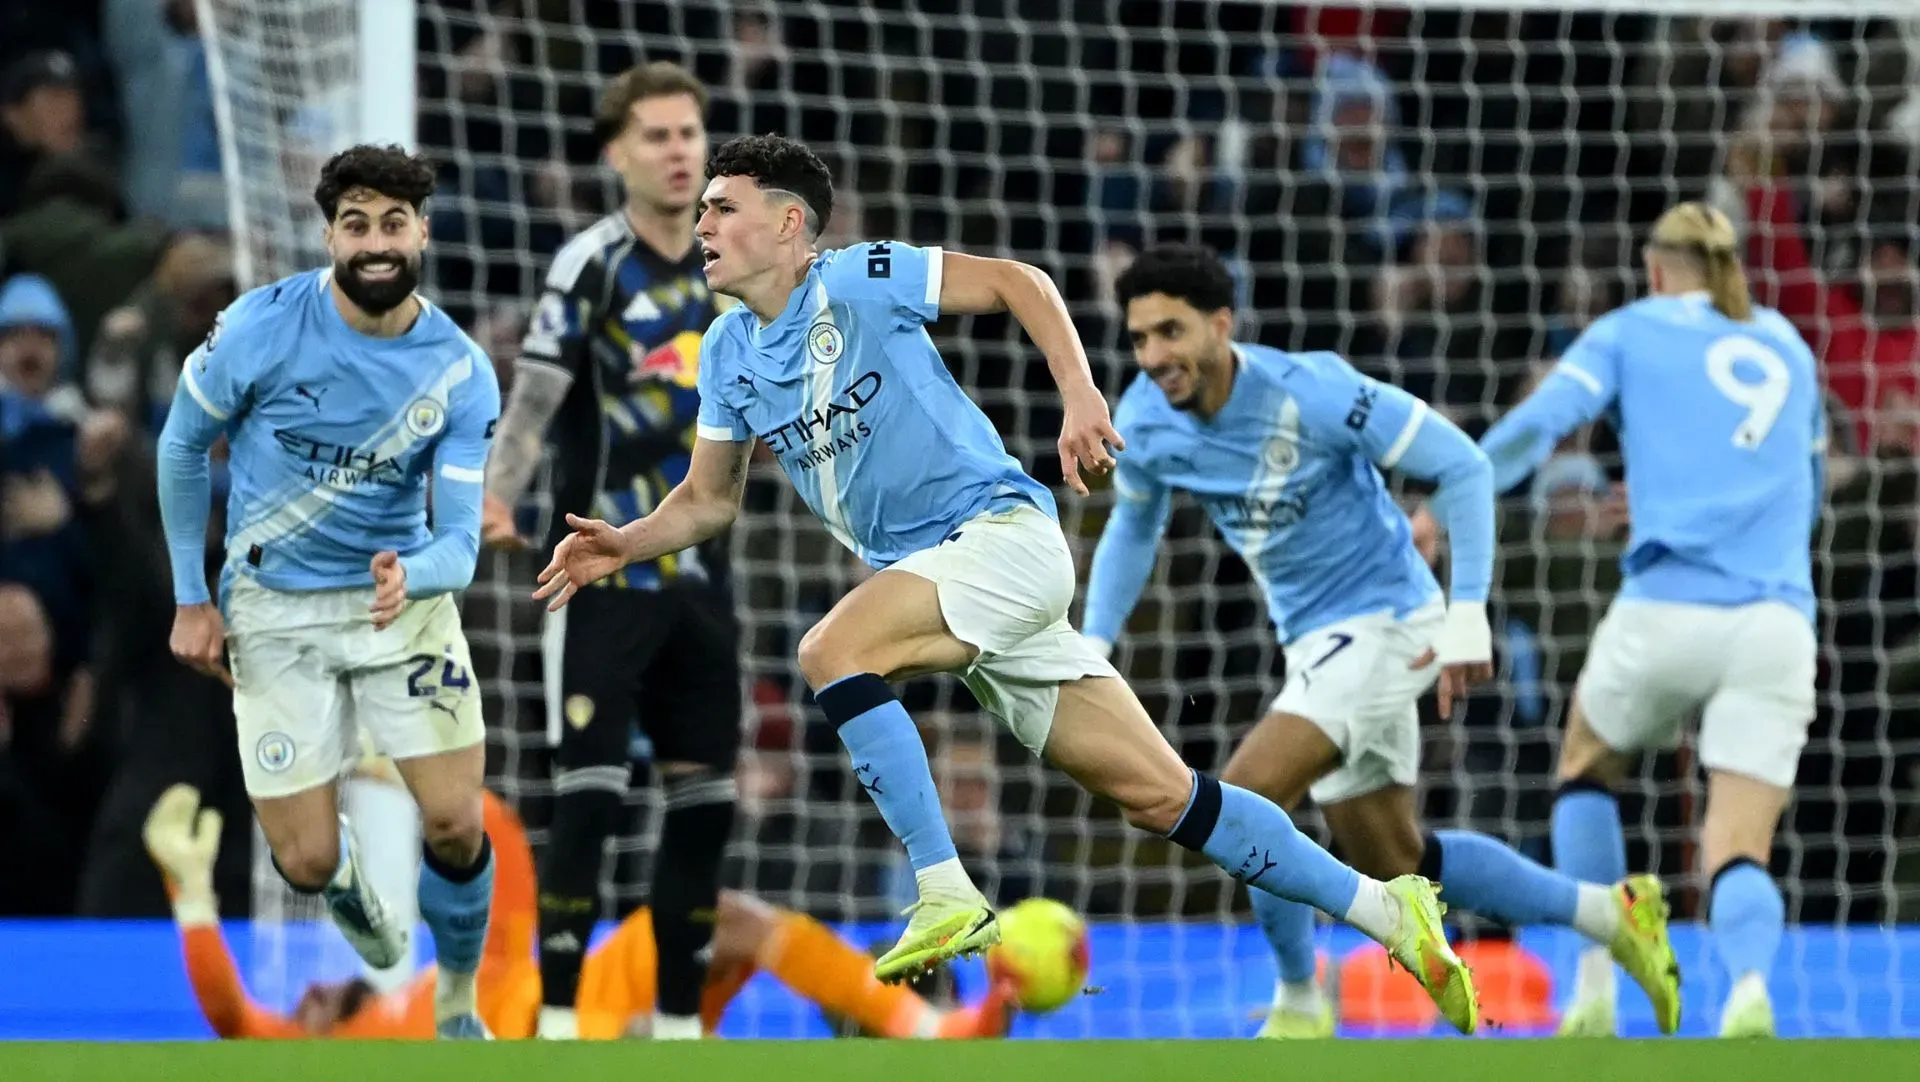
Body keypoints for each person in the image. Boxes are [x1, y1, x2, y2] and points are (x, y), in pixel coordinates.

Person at [533, 133, 1481, 1034]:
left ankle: (944, 889)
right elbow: (707, 502)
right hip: (947, 575)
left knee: (831, 649)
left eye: (721, 206)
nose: (700, 224)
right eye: (700, 208)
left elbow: (1019, 282)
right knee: (1163, 798)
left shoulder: (859, 277)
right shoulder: (731, 351)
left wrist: (1079, 393)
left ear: (788, 225)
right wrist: (628, 540)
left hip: (998, 536)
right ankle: (1390, 912)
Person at [1083, 243, 1680, 1039]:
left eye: (1171, 332)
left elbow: (1463, 467)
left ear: (1221, 326)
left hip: (1393, 620)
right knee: (1402, 858)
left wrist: (1468, 613)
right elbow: (1135, 520)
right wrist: (1094, 637)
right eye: (1139, 339)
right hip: (1313, 645)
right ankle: (1611, 913)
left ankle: (1301, 1000)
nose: (1154, 357)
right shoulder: (1147, 419)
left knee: (1247, 798)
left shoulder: (1312, 391)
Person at [155, 144, 500, 1039]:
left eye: (394, 223)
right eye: (357, 225)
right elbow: (182, 446)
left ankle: (458, 994)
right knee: (302, 863)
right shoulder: (259, 328)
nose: (376, 243)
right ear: (330, 235)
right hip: (273, 610)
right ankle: (341, 882)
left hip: (400, 600)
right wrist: (193, 599)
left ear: (422, 231)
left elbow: (460, 543)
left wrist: (410, 574)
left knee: (458, 823)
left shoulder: (459, 371)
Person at [1480, 202, 1825, 1039]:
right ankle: (1747, 993)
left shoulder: (1631, 328)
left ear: (1655, 268)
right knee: (1739, 847)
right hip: (1776, 622)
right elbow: (1805, 497)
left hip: (1664, 610)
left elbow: (1541, 425)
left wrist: (1458, 492)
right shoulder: (1790, 346)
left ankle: (1595, 988)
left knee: (1586, 767)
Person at [479, 60, 742, 1043]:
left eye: (689, 134)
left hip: (705, 581)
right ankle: (552, 1027)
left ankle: (678, 1033)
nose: (679, 153)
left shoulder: (737, 268)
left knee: (706, 808)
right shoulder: (591, 261)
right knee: (587, 802)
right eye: (658, 137)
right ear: (615, 155)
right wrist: (500, 493)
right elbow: (539, 393)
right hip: (597, 575)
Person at [143, 780, 1013, 1039]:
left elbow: (504, 867)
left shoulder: (448, 983)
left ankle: (895, 1030)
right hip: (554, 1040)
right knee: (722, 921)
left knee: (734, 928)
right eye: (302, 1008)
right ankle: (917, 1030)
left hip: (584, 998)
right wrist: (189, 891)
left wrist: (422, 782)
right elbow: (230, 1014)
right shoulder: (356, 1056)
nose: (308, 994)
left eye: (311, 992)